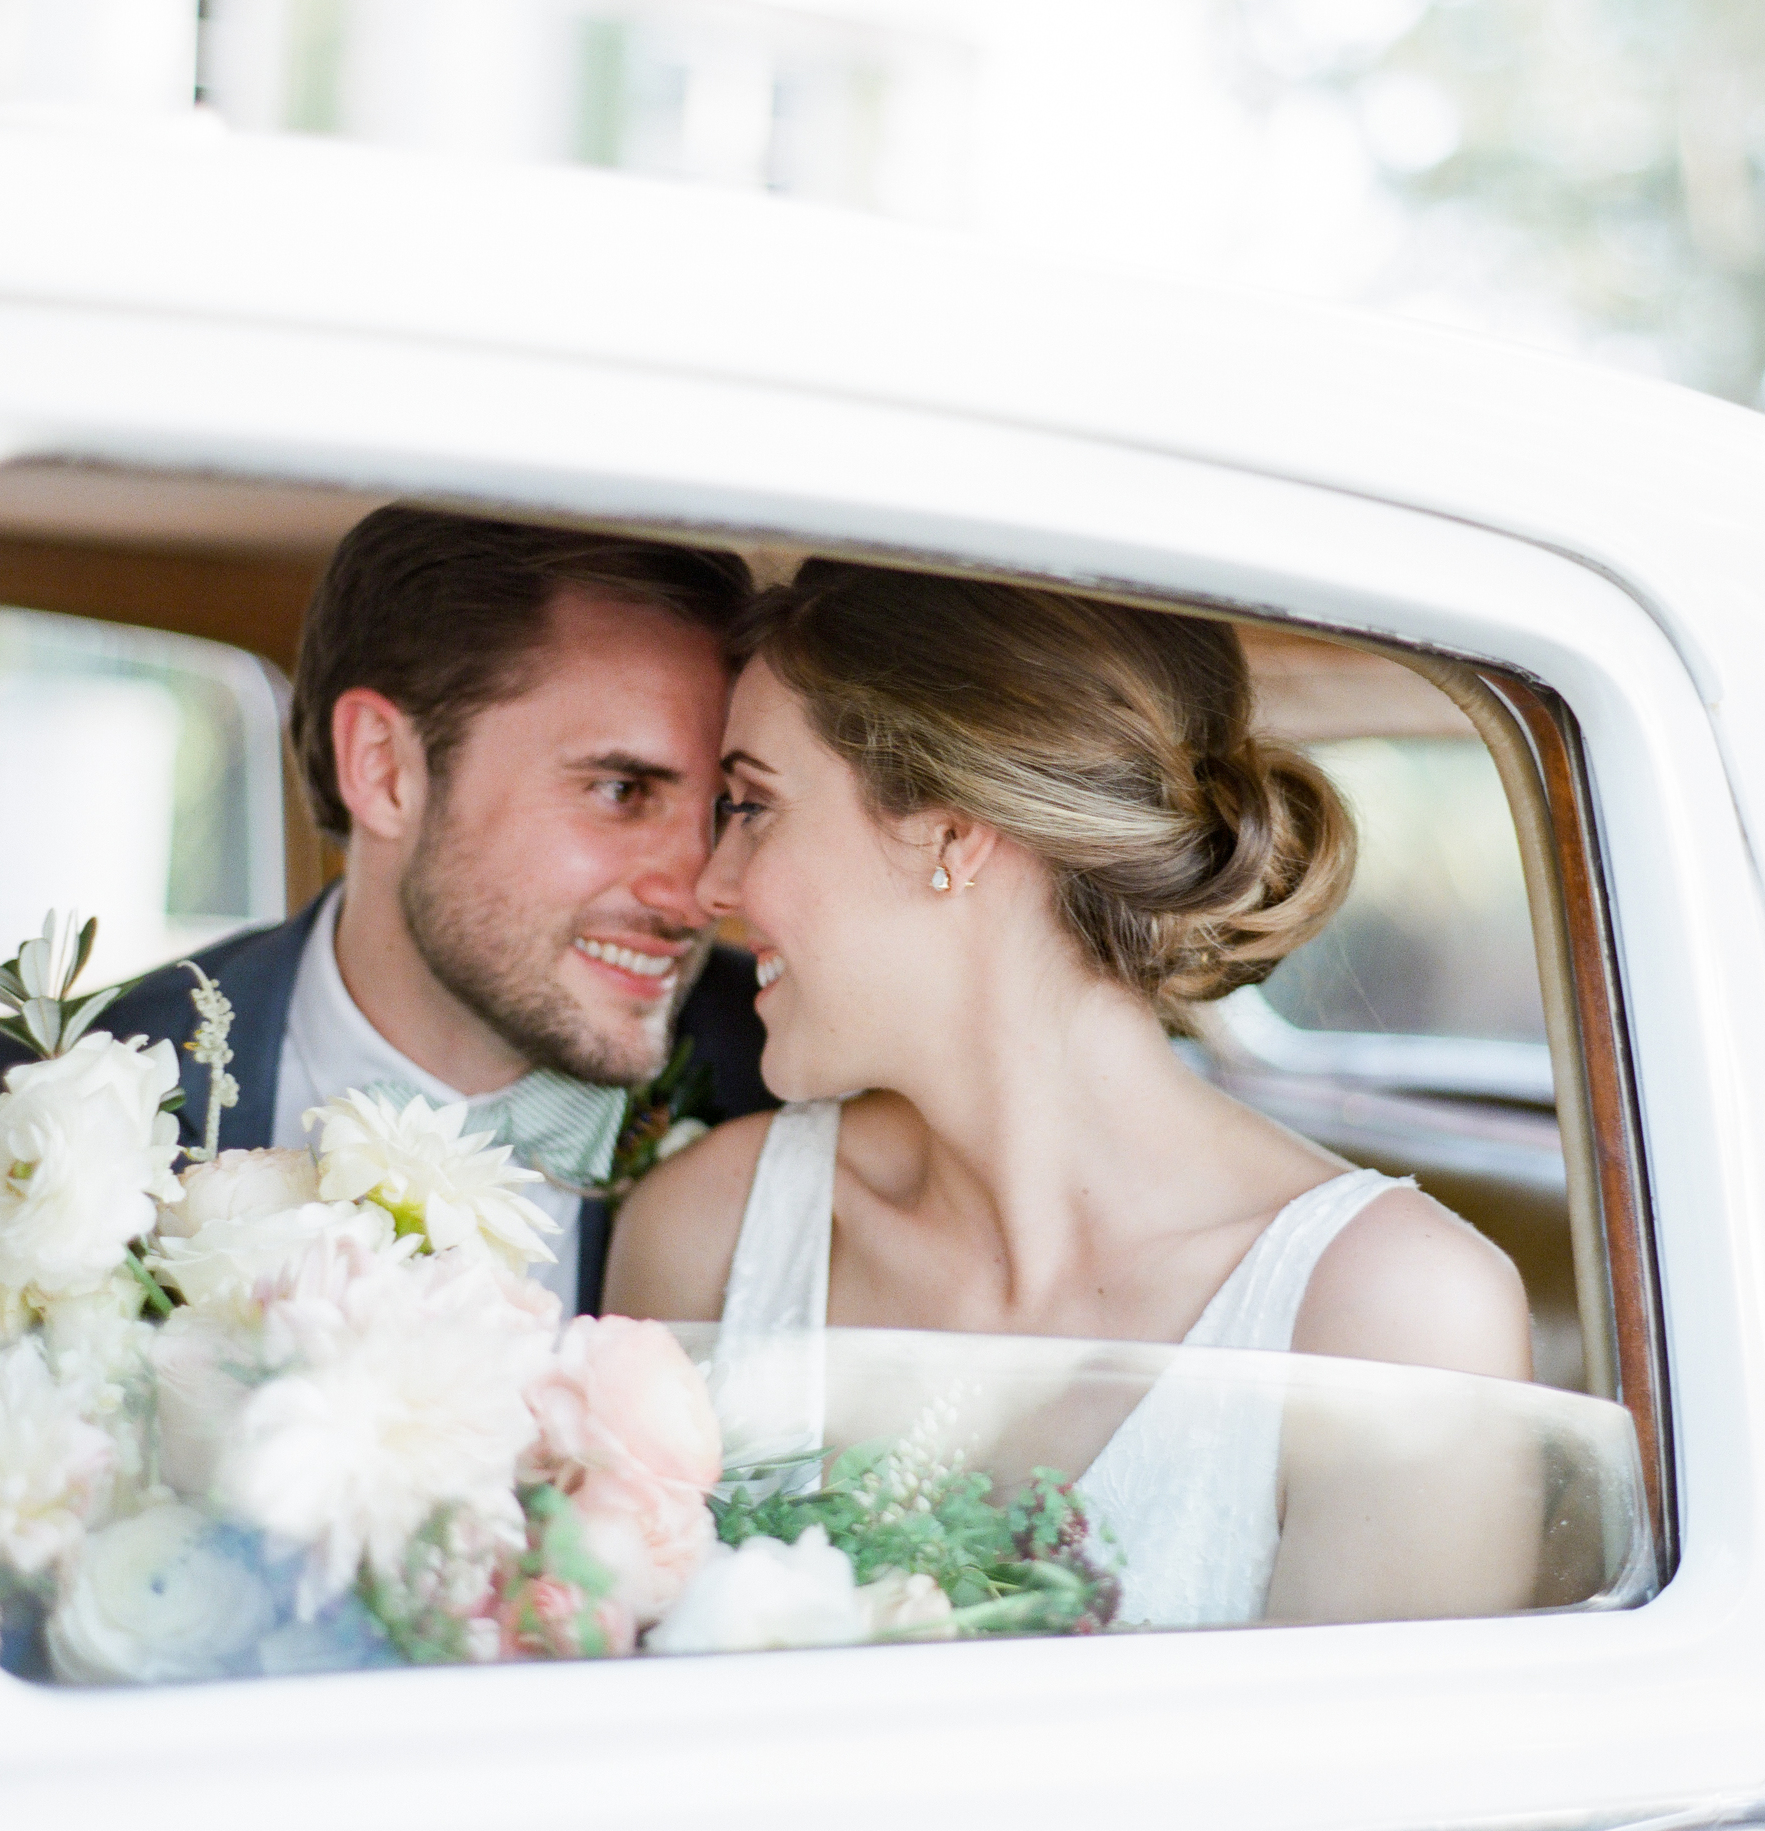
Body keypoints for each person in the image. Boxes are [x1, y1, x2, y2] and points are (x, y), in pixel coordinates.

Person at [607, 563, 1535, 1627]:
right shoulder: (706, 1232)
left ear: (950, 832)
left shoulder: (1392, 1318)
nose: (708, 885)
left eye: (753, 805)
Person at [0, 504, 777, 1312]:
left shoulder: (803, 1123)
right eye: (620, 790)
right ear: (384, 770)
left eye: (726, 810)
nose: (702, 888)